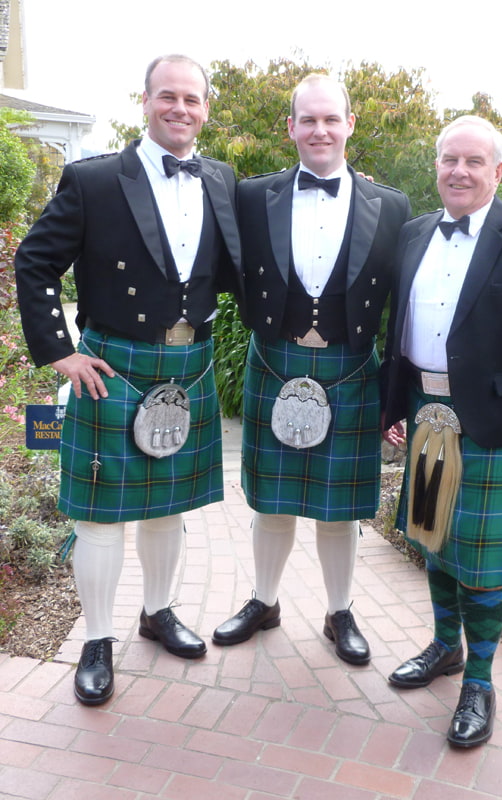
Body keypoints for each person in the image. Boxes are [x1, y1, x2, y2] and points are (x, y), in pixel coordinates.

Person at [15, 54, 243, 705]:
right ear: (145, 101)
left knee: (168, 508)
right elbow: (33, 264)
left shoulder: (221, 179)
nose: (181, 109)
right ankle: (96, 639)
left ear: (205, 107)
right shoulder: (94, 180)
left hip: (187, 366)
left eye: (192, 99)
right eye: (167, 96)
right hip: (113, 368)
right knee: (99, 519)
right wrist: (60, 352)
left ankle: (159, 611)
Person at [381, 115, 502, 746]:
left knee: (484, 564)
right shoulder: (412, 234)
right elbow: (398, 333)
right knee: (435, 540)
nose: (458, 172)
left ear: (498, 169)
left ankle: (481, 681)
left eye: (472, 162)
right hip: (427, 414)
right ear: (436, 165)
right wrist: (393, 409)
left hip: (493, 425)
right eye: (448, 160)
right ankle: (444, 648)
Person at [212, 74, 410, 665]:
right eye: (308, 119)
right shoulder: (253, 195)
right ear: (290, 127)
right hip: (276, 360)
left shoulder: (392, 205)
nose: (320, 129)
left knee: (340, 505)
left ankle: (339, 610)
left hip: (351, 366)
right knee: (271, 500)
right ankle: (264, 601)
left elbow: (401, 310)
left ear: (350, 124)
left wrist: (394, 396)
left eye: (331, 119)